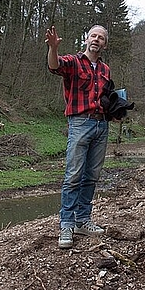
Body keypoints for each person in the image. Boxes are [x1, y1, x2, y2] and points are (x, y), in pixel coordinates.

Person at [45, 24, 111, 250]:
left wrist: (115, 108)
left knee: (91, 176)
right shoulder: (73, 62)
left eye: (101, 37)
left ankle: (83, 220)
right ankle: (66, 224)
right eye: (93, 36)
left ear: (105, 43)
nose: (96, 40)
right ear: (86, 39)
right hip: (80, 123)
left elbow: (105, 97)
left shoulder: (105, 70)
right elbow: (55, 66)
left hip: (102, 125)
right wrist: (53, 48)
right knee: (73, 175)